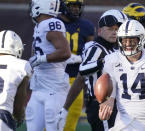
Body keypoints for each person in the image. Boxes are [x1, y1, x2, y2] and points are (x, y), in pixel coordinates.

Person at [57, 9, 128, 131]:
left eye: (117, 29)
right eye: (110, 29)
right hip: (101, 104)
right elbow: (83, 69)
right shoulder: (95, 48)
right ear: (100, 31)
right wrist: (103, 61)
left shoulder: (114, 50)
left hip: (115, 103)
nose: (114, 32)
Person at [99, 20, 145, 131]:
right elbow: (110, 90)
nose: (128, 44)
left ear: (141, 39)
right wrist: (108, 101)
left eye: (132, 40)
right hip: (123, 122)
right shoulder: (112, 59)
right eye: (124, 40)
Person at [25, 0, 71, 131]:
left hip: (54, 88)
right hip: (39, 87)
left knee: (53, 126)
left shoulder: (52, 23)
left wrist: (41, 59)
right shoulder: (40, 25)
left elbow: (65, 52)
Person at [0, 30, 32, 131]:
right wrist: (19, 117)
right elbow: (20, 101)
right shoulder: (22, 66)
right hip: (0, 118)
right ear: (18, 48)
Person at [58, 0, 95, 130]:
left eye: (78, 6)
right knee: (51, 123)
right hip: (54, 79)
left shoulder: (86, 26)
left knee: (70, 124)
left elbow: (92, 54)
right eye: (72, 5)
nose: (75, 9)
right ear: (64, 5)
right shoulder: (54, 24)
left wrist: (80, 58)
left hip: (76, 80)